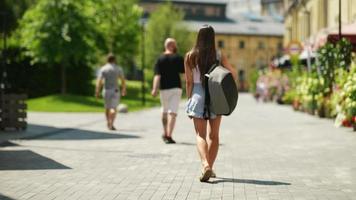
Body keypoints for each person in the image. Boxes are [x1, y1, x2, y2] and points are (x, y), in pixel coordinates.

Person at [184, 25, 237, 182]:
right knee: (213, 135)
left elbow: (188, 82)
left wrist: (189, 100)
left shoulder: (189, 56)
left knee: (200, 135)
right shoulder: (219, 55)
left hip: (198, 95)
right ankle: (210, 167)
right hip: (216, 95)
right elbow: (232, 74)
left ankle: (205, 165)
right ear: (212, 37)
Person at [151, 38, 185, 144]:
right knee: (173, 112)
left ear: (165, 45)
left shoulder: (160, 59)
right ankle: (169, 135)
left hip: (164, 89)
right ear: (174, 46)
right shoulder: (179, 58)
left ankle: (165, 132)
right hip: (176, 88)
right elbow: (184, 74)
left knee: (164, 110)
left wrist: (154, 89)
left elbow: (157, 75)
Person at [95, 53, 126, 130]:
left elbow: (99, 81)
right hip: (115, 90)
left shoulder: (103, 69)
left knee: (107, 107)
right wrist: (123, 89)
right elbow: (122, 80)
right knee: (114, 107)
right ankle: (112, 123)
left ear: (107, 60)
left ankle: (108, 122)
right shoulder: (118, 68)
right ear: (114, 60)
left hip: (106, 90)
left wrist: (97, 91)